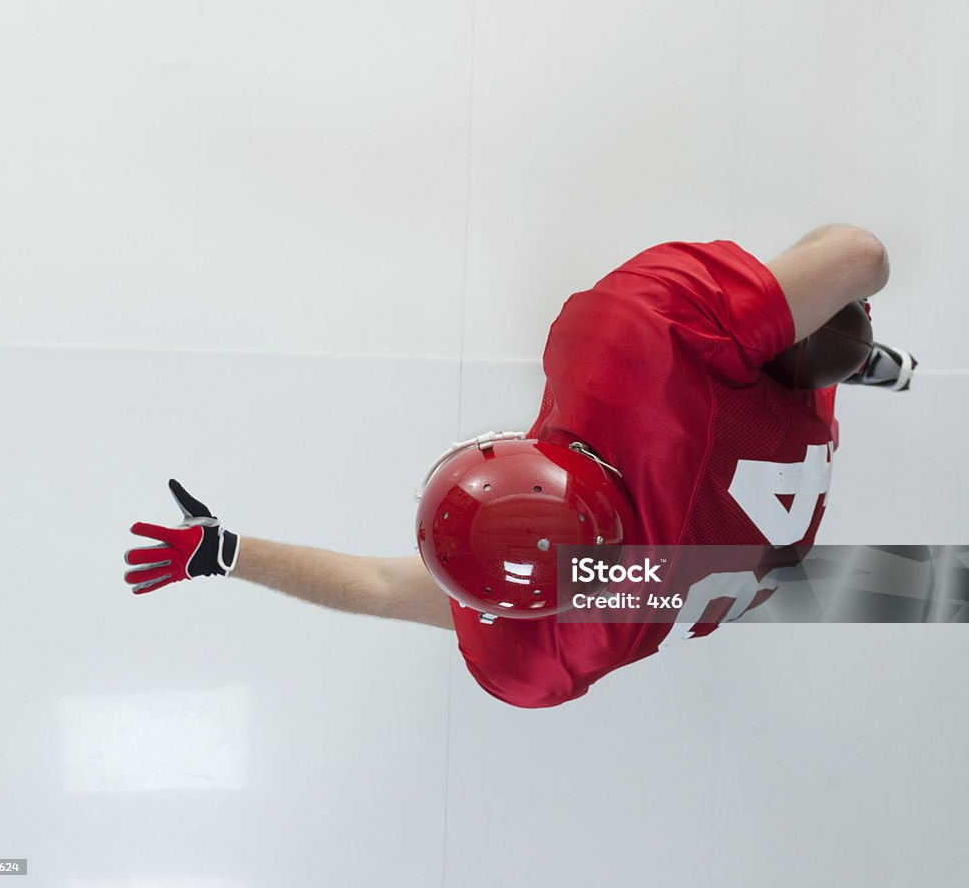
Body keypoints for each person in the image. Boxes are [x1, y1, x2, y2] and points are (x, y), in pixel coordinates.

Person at [124, 224, 916, 708]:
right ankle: (854, 354)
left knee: (783, 334)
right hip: (763, 418)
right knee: (821, 322)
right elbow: (863, 253)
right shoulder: (637, 362)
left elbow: (379, 586)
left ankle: (845, 353)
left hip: (763, 551)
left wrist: (227, 553)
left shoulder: (577, 619)